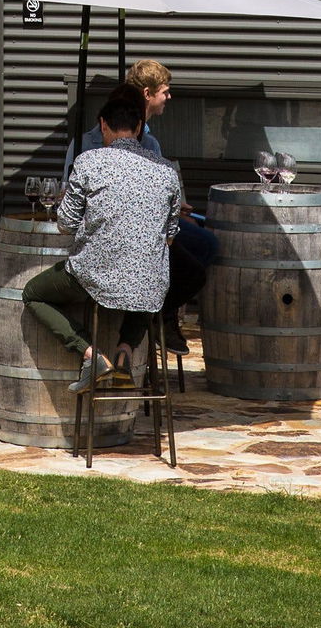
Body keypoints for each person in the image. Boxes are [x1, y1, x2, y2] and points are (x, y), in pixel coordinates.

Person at [24, 83, 185, 391]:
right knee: (149, 283)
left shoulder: (88, 162)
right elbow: (170, 235)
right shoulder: (166, 172)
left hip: (94, 277)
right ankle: (125, 351)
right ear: (139, 127)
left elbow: (66, 225)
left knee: (33, 293)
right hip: (151, 284)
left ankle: (90, 354)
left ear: (103, 126)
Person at [66, 60, 218, 340]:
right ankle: (161, 316)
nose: (169, 97)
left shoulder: (143, 144)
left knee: (195, 250)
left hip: (136, 233)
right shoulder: (91, 147)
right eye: (165, 91)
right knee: (195, 252)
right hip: (120, 238)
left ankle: (161, 312)